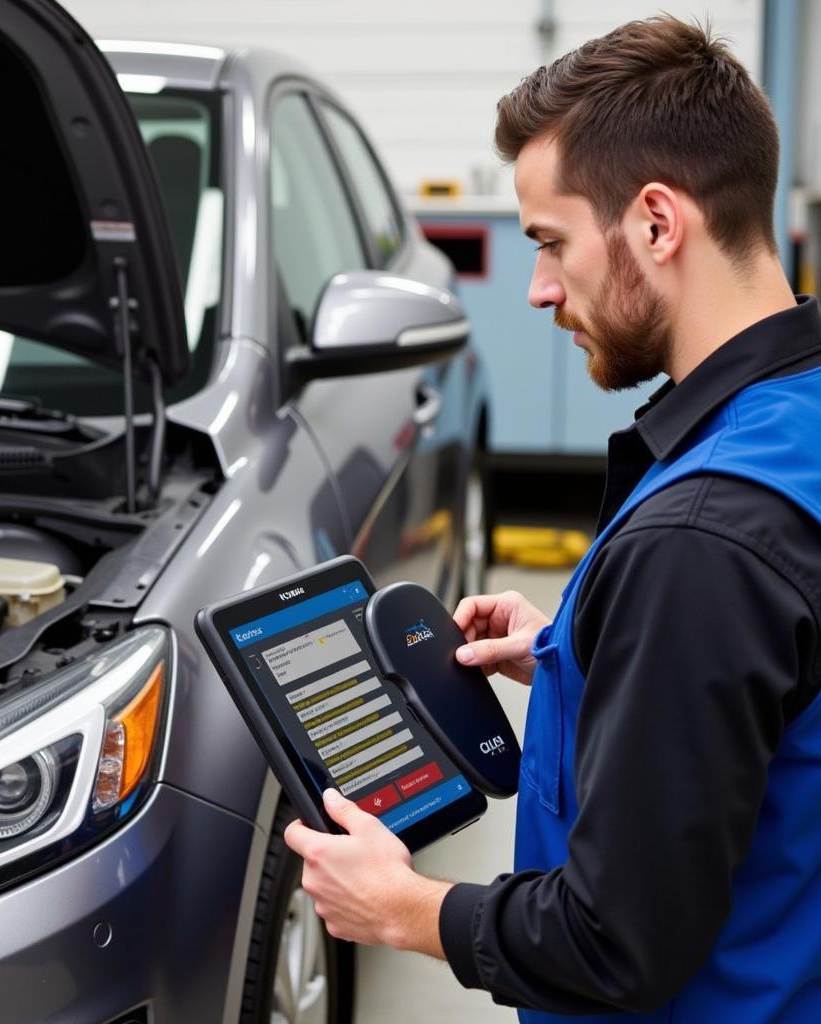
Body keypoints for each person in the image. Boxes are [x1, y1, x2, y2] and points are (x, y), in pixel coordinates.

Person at [284, 15, 821, 1022]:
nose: (536, 289)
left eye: (549, 243)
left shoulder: (698, 546)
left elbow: (614, 942)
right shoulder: (797, 416)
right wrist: (584, 653)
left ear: (657, 224)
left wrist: (410, 911)